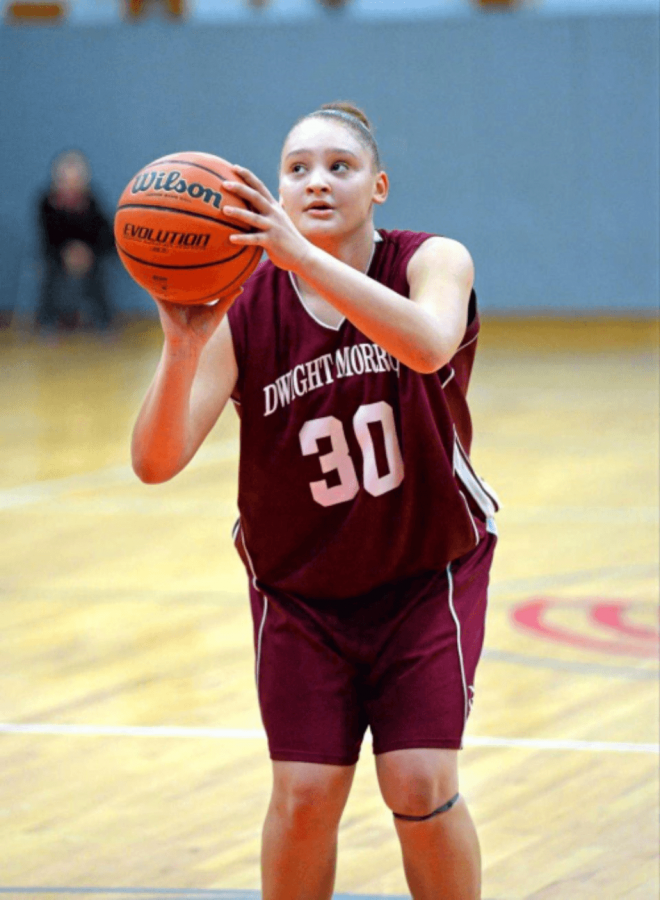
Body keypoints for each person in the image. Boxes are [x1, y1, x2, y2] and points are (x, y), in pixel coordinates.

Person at [131, 101, 499, 900]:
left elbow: (430, 344)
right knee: (301, 799)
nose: (317, 181)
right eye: (297, 169)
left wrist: (300, 258)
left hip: (423, 572)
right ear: (276, 189)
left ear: (380, 186)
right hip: (300, 594)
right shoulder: (245, 305)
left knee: (420, 782)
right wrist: (181, 344)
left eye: (341, 167)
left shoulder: (433, 259)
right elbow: (155, 462)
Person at [36, 149, 115, 335]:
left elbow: (104, 234)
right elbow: (48, 237)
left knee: (99, 272)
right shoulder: (46, 203)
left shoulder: (92, 201)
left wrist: (87, 252)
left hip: (90, 254)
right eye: (66, 180)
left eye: (76, 180)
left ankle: (104, 323)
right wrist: (67, 253)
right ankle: (48, 323)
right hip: (58, 254)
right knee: (50, 273)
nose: (71, 185)